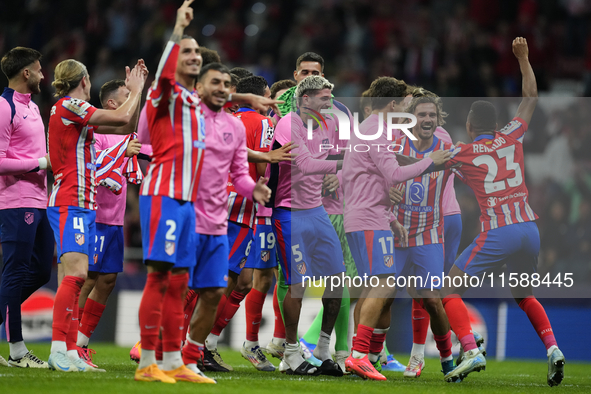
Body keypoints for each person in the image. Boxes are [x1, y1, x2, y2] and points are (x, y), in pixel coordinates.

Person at [440, 38, 565, 387]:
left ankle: (469, 349)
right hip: (530, 229)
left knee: (448, 291)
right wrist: (523, 59)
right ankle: (553, 348)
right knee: (524, 295)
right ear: (496, 123)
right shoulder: (512, 136)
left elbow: (428, 165)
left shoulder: (462, 152)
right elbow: (531, 98)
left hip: (500, 230)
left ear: (469, 125)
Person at [47, 55, 147, 373]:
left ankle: (68, 349)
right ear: (85, 81)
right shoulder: (70, 106)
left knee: (75, 279)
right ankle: (60, 349)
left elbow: (126, 124)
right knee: (77, 277)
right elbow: (124, 120)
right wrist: (136, 90)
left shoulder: (72, 113)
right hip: (71, 200)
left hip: (83, 203)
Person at [180, 63, 272, 375]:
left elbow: (238, 165)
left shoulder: (228, 123)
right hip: (217, 211)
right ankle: (174, 344)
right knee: (200, 282)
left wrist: (254, 188)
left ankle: (193, 350)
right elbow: (257, 168)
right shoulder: (257, 122)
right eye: (215, 83)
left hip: (218, 209)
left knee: (219, 284)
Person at [268, 75, 344, 376]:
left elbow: (336, 155)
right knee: (297, 284)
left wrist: (337, 173)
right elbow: (307, 164)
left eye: (330, 98)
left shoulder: (332, 124)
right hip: (289, 211)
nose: (330, 104)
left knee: (337, 280)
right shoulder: (289, 123)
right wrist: (344, 165)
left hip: (317, 210)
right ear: (305, 100)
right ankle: (290, 352)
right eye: (324, 99)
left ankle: (323, 348)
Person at [202, 76, 277, 372]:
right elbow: (262, 167)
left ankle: (202, 342)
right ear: (265, 95)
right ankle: (195, 344)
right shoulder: (263, 122)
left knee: (238, 279)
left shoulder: (228, 118)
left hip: (217, 199)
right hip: (243, 204)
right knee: (223, 279)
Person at [75, 79, 147, 367]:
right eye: (126, 97)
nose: (131, 102)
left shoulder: (125, 134)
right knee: (88, 278)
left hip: (114, 220)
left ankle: (82, 342)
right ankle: (69, 343)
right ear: (111, 105)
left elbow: (133, 124)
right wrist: (122, 153)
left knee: (106, 280)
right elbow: (93, 166)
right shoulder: (98, 129)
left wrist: (138, 89)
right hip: (94, 215)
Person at [390, 94, 460, 379]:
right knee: (380, 295)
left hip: (430, 235)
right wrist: (384, 189)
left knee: (431, 298)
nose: (427, 120)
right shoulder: (396, 142)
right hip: (396, 232)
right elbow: (373, 169)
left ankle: (446, 359)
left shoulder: (447, 147)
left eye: (432, 115)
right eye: (422, 115)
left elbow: (469, 170)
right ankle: (366, 355)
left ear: (438, 119)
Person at [0, 47, 52, 368]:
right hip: (15, 202)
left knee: (41, 270)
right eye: (40, 69)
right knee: (16, 272)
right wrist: (39, 163)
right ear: (27, 73)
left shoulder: (31, 106)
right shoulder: (4, 106)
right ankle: (17, 351)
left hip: (38, 200)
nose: (44, 75)